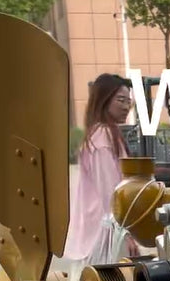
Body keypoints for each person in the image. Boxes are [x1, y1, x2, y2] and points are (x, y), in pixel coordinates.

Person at [64, 73, 138, 269]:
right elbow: (111, 192)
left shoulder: (105, 134)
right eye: (120, 100)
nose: (126, 106)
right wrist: (125, 235)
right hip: (103, 236)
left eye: (128, 101)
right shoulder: (102, 138)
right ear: (104, 100)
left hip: (104, 232)